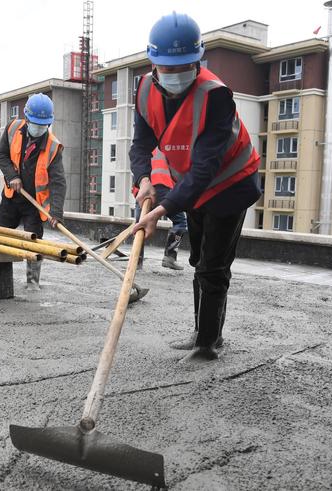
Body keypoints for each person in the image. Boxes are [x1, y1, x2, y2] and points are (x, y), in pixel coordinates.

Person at [131, 12, 261, 364]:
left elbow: (204, 169)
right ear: (153, 63)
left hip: (230, 184)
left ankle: (208, 343)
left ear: (197, 60)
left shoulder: (216, 96)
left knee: (213, 267)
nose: (175, 75)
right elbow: (141, 146)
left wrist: (161, 210)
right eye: (167, 68)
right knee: (198, 260)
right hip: (193, 187)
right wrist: (144, 181)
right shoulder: (143, 89)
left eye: (184, 66)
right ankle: (200, 331)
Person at [0, 93, 67, 290]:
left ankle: (33, 283)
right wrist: (12, 176)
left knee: (34, 242)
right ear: (27, 119)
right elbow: (1, 154)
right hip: (11, 197)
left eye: (43, 125)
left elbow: (58, 182)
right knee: (0, 236)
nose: (39, 128)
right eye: (36, 123)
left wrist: (56, 212)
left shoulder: (53, 147)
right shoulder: (12, 129)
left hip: (34, 204)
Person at [133, 148, 187, 270]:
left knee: (140, 225)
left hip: (143, 191)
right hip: (163, 186)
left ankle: (136, 261)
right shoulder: (166, 146)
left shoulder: (141, 150)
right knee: (180, 222)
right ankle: (170, 257)